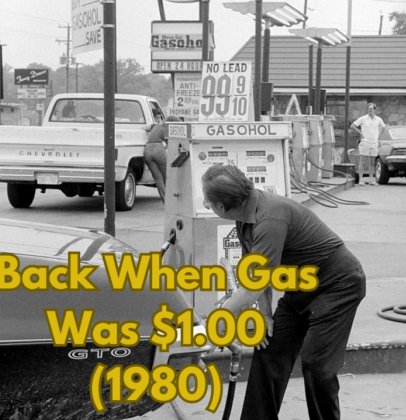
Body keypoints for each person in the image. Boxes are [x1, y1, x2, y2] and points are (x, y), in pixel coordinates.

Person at [201, 164, 366, 420]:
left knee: (317, 365)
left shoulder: (270, 218)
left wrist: (220, 320)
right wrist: (265, 316)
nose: (206, 203)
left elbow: (252, 287)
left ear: (221, 206)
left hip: (338, 285)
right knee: (270, 349)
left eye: (207, 201)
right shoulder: (245, 216)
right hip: (300, 289)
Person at [143, 112, 182, 204]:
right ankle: (171, 202)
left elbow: (144, 128)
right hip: (159, 149)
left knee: (158, 179)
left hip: (147, 149)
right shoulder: (168, 129)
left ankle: (165, 201)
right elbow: (171, 145)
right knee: (167, 176)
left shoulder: (155, 126)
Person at [350, 103, 385, 185]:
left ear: (374, 110)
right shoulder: (363, 118)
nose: (369, 110)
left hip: (374, 142)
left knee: (373, 161)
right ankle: (361, 180)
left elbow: (383, 127)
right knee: (362, 161)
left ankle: (371, 180)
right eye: (368, 109)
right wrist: (360, 133)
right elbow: (353, 125)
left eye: (371, 109)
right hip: (365, 142)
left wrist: (378, 135)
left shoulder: (378, 119)